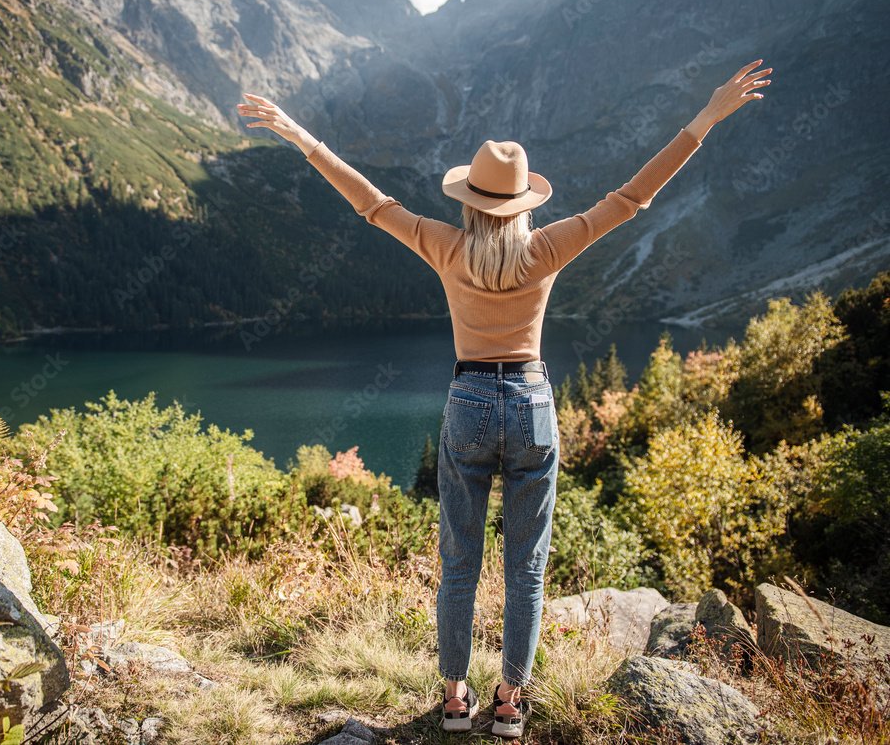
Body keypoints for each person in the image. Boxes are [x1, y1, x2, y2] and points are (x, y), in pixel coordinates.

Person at [237, 59, 771, 738]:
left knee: (459, 562)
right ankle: (511, 701)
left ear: (469, 201)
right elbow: (633, 197)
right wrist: (706, 117)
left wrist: (299, 135)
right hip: (532, 403)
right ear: (523, 206)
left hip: (467, 402)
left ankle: (455, 698)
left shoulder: (445, 244)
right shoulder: (546, 248)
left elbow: (369, 202)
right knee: (528, 568)